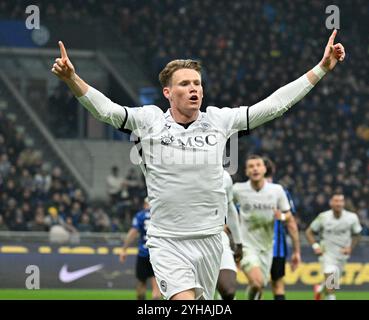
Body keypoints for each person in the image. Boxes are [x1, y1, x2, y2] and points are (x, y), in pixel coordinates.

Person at [51, 30, 345, 300]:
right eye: (185, 84)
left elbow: (273, 106)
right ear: (168, 92)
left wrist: (320, 69)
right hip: (167, 241)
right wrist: (72, 80)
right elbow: (106, 111)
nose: (194, 89)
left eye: (197, 83)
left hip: (210, 240)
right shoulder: (148, 120)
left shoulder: (219, 120)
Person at [233, 155, 297, 300]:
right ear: (246, 171)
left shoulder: (277, 190)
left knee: (260, 287)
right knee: (257, 282)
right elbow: (226, 209)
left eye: (258, 165)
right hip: (247, 246)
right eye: (251, 166)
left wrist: (280, 217)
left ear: (264, 169)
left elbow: (288, 216)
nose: (255, 168)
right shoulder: (238, 190)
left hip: (267, 248)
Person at [305, 193, 362, 300]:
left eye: (341, 201)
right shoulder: (323, 217)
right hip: (327, 253)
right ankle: (331, 297)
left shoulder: (352, 218)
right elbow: (309, 232)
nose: (338, 203)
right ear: (331, 203)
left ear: (344, 203)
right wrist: (315, 246)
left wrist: (350, 247)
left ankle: (320, 288)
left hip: (342, 255)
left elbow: (357, 234)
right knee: (331, 277)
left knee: (332, 282)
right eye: (336, 201)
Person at [264, 157, 301, 300]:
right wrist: (296, 251)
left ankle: (326, 291)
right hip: (276, 249)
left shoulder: (245, 190)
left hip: (254, 247)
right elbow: (291, 223)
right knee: (278, 285)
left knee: (256, 284)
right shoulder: (281, 191)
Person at [119, 198, 161, 300]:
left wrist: (124, 249)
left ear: (145, 203)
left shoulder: (140, 215)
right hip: (157, 253)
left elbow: (133, 232)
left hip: (143, 253)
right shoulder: (159, 215)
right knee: (156, 288)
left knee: (141, 283)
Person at [216, 170, 242, 300]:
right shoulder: (182, 175)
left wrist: (238, 242)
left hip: (218, 237)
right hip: (188, 240)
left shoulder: (224, 177)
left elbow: (230, 208)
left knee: (229, 291)